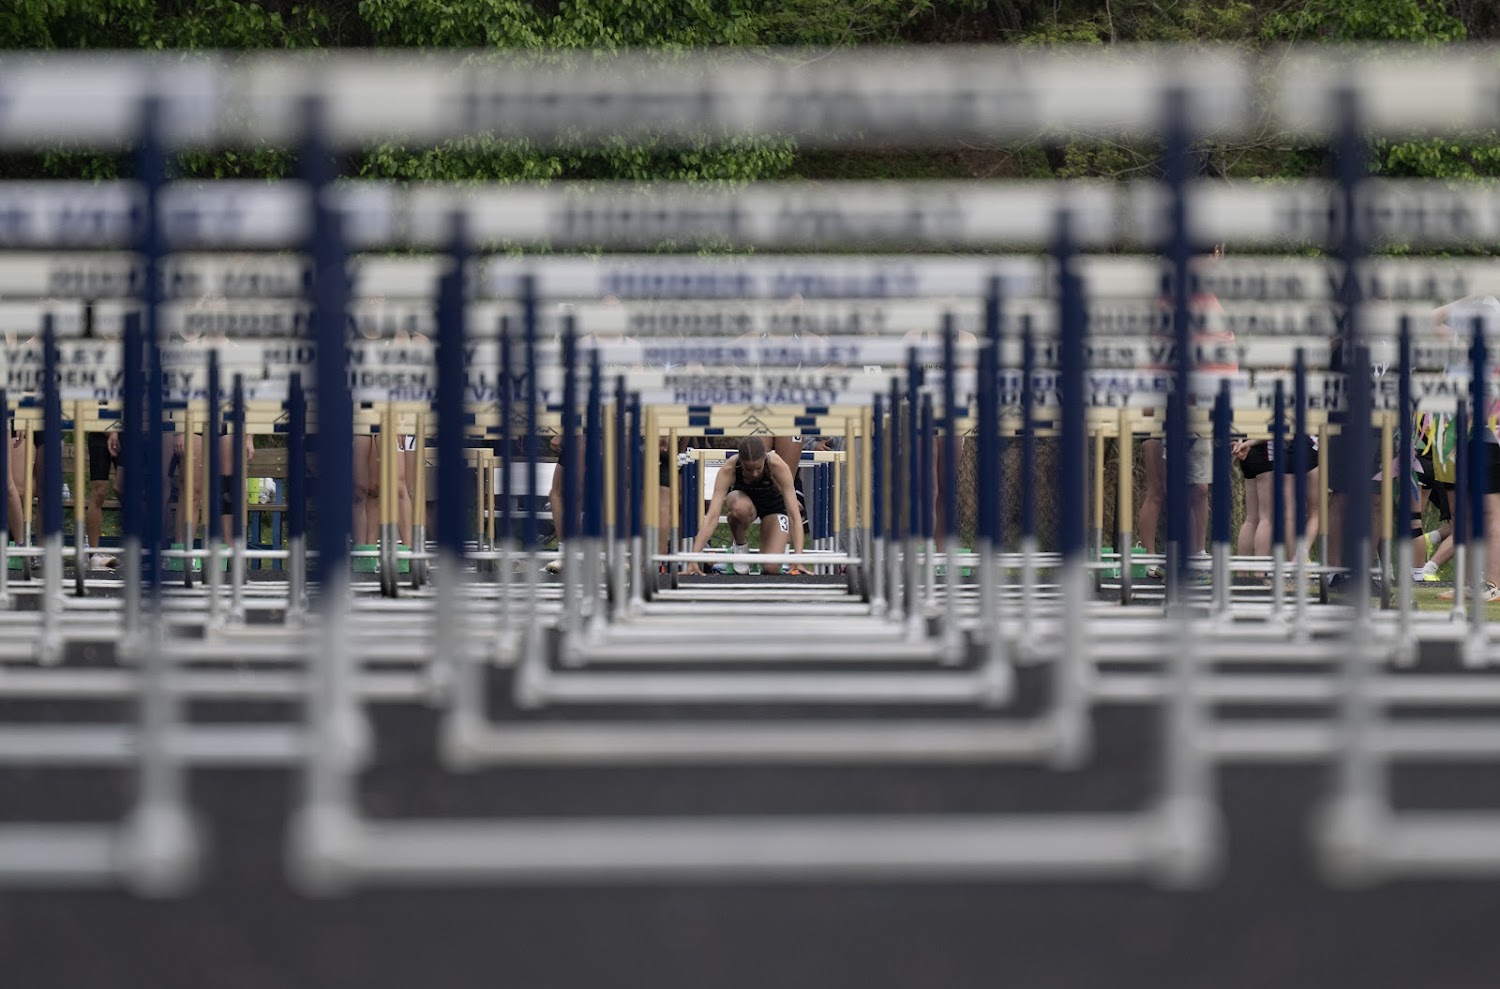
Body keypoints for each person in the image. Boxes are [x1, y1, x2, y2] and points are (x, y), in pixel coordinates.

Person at [683, 437, 805, 576]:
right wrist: (694, 558)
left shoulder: (777, 465)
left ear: (764, 459)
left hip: (773, 507)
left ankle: (765, 558)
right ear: (740, 461)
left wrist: (798, 560)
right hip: (743, 503)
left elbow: (794, 516)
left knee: (771, 568)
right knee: (739, 507)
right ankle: (740, 545)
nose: (754, 473)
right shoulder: (729, 469)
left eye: (758, 468)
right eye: (748, 469)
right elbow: (712, 517)